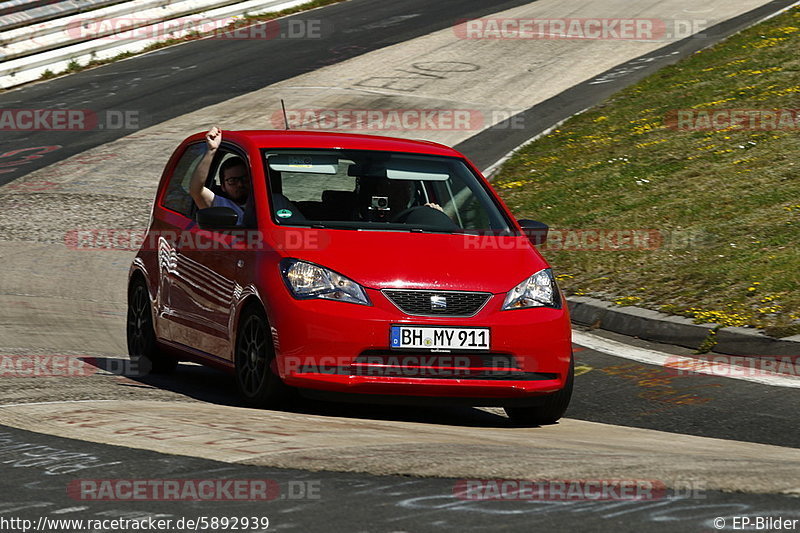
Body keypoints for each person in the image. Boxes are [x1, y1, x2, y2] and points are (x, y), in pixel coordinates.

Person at [189, 126, 249, 225]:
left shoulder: (269, 203)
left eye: (245, 179)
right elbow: (196, 190)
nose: (240, 184)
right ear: (223, 186)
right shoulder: (220, 204)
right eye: (232, 181)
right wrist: (211, 150)